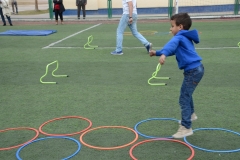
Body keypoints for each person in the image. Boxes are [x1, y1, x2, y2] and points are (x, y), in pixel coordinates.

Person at [149, 13, 204, 138]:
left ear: (180, 27)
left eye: (172, 26)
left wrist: (163, 55)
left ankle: (186, 127)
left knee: (183, 97)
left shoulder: (179, 37)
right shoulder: (184, 37)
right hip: (196, 69)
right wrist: (158, 53)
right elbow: (173, 50)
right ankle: (190, 115)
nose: (170, 28)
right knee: (187, 94)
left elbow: (171, 45)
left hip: (193, 71)